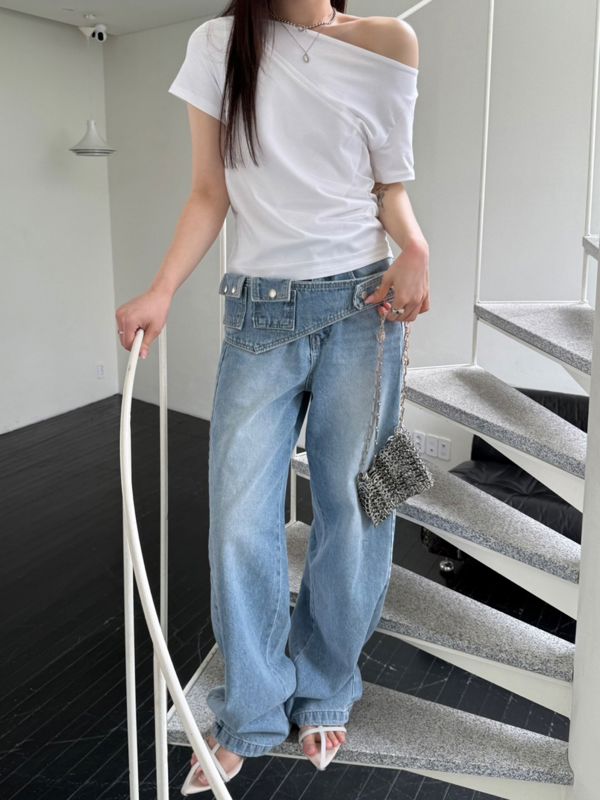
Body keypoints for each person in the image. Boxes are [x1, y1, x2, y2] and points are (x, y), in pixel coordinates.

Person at [116, 0, 430, 792]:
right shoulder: (220, 43)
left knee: (361, 507)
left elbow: (389, 185)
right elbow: (208, 192)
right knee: (237, 521)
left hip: (367, 309)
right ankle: (252, 710)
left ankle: (327, 685)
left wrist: (417, 245)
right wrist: (161, 290)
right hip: (259, 311)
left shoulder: (390, 40)